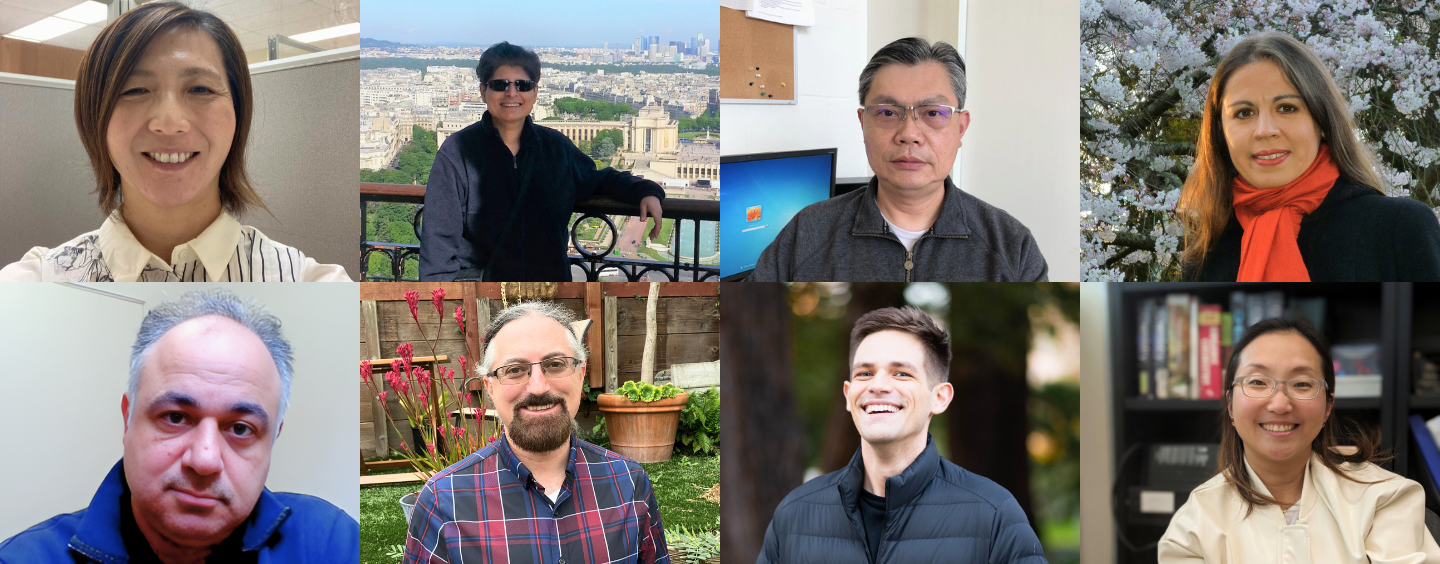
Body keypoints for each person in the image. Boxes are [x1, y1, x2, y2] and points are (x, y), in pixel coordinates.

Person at [0, 289, 358, 562]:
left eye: (240, 428)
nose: (204, 461)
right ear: (128, 419)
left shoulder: (333, 543)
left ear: (273, 439)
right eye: (175, 417)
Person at [0, 2, 349, 282]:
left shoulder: (308, 284)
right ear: (95, 118)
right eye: (134, 90)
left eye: (200, 89)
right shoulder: (35, 285)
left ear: (238, 115)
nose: (170, 123)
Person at [758, 306, 1045, 564]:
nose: (878, 385)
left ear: (940, 398)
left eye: (902, 374)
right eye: (865, 374)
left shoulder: (995, 514)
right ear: (848, 395)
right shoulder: (794, 515)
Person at [747, 37, 1048, 282]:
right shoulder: (808, 233)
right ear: (863, 123)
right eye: (887, 113)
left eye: (933, 113)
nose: (909, 134)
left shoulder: (1012, 246)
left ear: (960, 127)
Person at [405, 301, 669, 563]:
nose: (539, 387)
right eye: (515, 370)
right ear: (491, 388)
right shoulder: (443, 501)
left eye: (555, 364)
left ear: (580, 374)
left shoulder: (629, 483)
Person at [1159, 318, 1440, 562]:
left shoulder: (1384, 499)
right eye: (1258, 382)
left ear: (1328, 407)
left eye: (1302, 384)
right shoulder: (1194, 524)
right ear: (1231, 404)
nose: (1280, 404)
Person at [1179, 31, 1440, 281]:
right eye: (1244, 113)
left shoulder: (1398, 229)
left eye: (1287, 108)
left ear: (1322, 120)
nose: (1265, 130)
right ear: (1220, 131)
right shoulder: (1205, 257)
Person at [418, 42, 666, 282]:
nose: (512, 93)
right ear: (483, 91)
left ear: (535, 92)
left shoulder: (556, 148)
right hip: (488, 304)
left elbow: (599, 179)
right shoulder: (456, 153)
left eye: (523, 85)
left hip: (548, 298)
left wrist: (645, 192)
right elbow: (438, 246)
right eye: (500, 84)